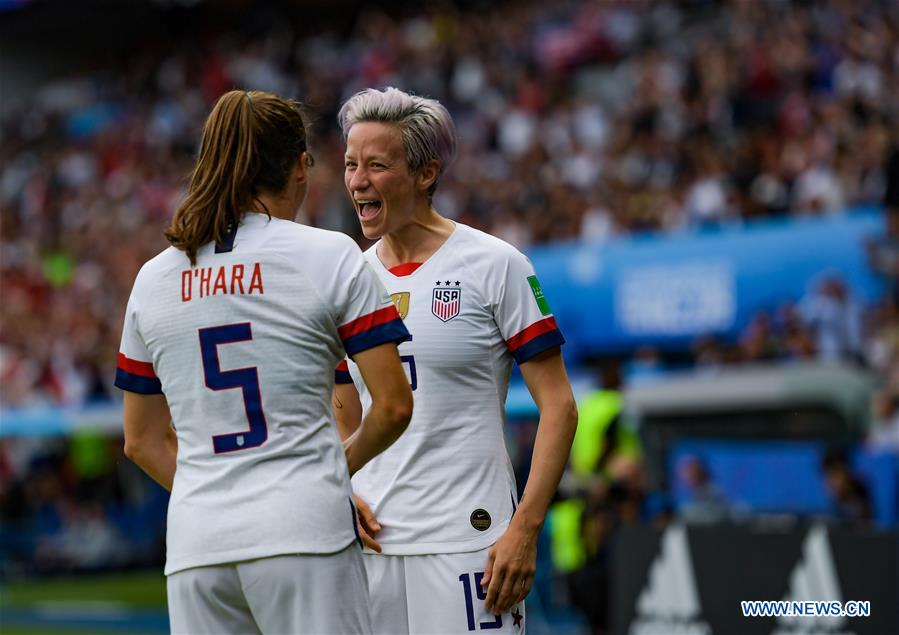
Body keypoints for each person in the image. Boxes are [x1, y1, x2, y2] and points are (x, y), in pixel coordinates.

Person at [115, 90, 413, 635]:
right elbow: (393, 406)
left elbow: (141, 441)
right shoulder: (328, 255)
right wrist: (326, 478)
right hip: (304, 533)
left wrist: (220, 495)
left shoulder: (152, 279)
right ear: (300, 166)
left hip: (196, 544)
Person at [333, 87, 578, 634]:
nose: (358, 181)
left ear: (426, 174)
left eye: (377, 164)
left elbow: (559, 406)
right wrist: (341, 490)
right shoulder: (346, 278)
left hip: (470, 542)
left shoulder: (496, 265)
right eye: (351, 165)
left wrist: (525, 528)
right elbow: (341, 405)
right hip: (370, 548)